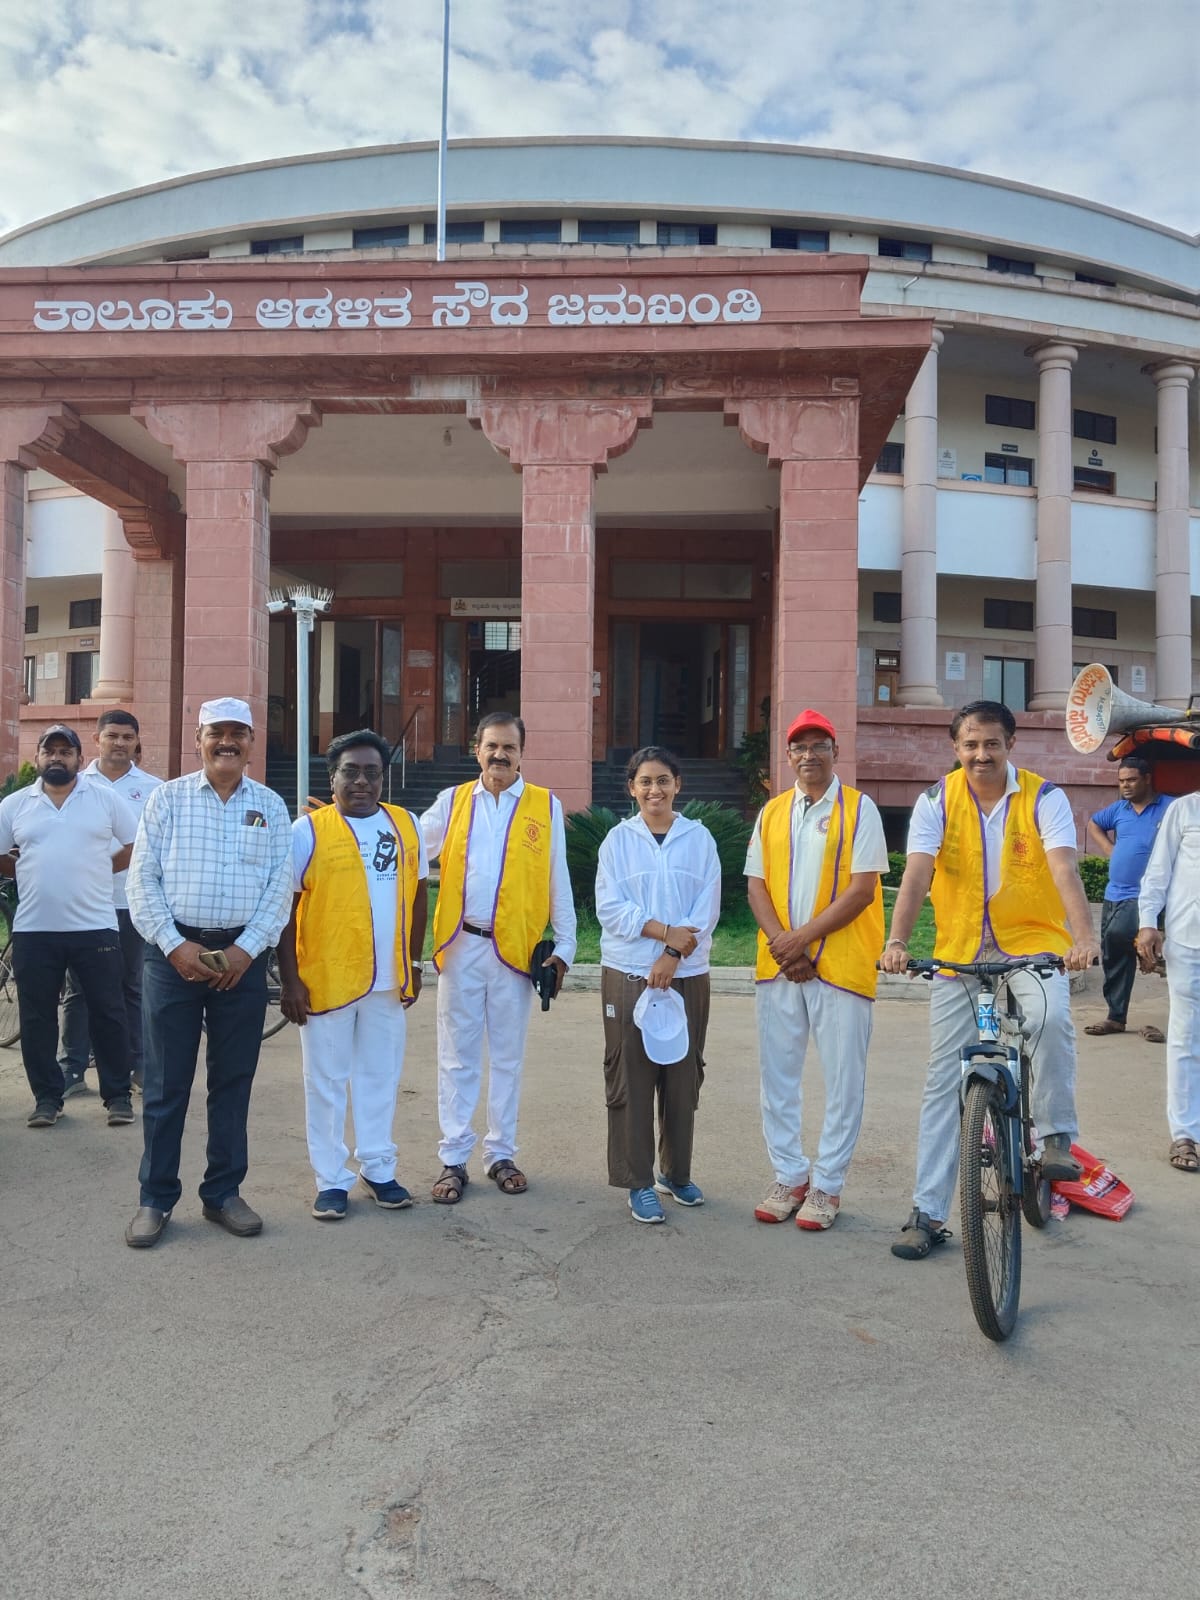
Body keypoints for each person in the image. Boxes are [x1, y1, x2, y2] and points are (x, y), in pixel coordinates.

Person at [882, 700, 1098, 1260]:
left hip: (1031, 946)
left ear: (1010, 745)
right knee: (941, 1080)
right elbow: (915, 876)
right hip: (958, 953)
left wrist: (1084, 938)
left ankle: (1053, 1136)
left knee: (1049, 1021)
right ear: (956, 749)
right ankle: (927, 1213)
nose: (982, 754)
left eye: (992, 744)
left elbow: (1063, 869)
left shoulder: (1044, 797)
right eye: (971, 745)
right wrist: (898, 942)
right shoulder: (936, 800)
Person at [124, 698, 292, 1249]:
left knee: (232, 1081)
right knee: (167, 1084)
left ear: (251, 742)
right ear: (197, 738)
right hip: (173, 954)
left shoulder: (270, 806)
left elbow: (278, 888)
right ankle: (156, 1198)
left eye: (238, 734)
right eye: (217, 733)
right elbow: (141, 882)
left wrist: (246, 951)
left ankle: (223, 1193)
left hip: (241, 960)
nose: (228, 743)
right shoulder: (167, 800)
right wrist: (175, 946)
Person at [421, 712, 576, 1203]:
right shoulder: (452, 802)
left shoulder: (544, 806)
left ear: (521, 752)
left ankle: (501, 1153)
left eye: (508, 748)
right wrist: (349, 824)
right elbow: (409, 846)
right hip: (461, 944)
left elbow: (558, 879)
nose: (499, 755)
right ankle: (453, 1159)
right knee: (456, 1058)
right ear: (477, 749)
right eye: (491, 746)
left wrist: (566, 947)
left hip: (514, 951)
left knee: (507, 1058)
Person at [745, 709, 888, 1231]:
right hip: (780, 968)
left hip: (841, 966)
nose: (808, 755)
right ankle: (789, 1174)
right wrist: (787, 949)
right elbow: (755, 884)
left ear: (835, 751)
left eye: (818, 745)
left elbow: (862, 889)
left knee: (843, 1080)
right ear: (788, 756)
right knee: (777, 1078)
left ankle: (827, 1186)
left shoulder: (860, 809)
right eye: (799, 747)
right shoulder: (772, 813)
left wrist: (801, 941)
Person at [278, 729, 429, 1220]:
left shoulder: (405, 824)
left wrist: (413, 961)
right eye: (351, 771)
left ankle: (378, 1168)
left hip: (387, 982)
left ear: (384, 778)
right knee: (325, 1080)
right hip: (326, 979)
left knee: (380, 1077)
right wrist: (291, 980)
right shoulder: (308, 831)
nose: (361, 781)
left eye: (372, 772)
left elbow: (419, 894)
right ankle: (331, 1179)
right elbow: (283, 908)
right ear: (333, 775)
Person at [595, 746, 721, 1224]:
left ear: (678, 785)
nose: (655, 790)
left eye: (663, 780)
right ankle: (638, 1181)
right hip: (628, 971)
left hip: (687, 973)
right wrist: (662, 934)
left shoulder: (699, 838)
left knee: (683, 1076)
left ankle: (676, 1173)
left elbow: (707, 907)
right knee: (631, 1074)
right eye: (645, 781)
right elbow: (609, 907)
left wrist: (673, 953)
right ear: (632, 789)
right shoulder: (617, 841)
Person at [0, 725, 137, 1128]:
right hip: (33, 929)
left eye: (66, 751)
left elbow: (133, 845)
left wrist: (99, 868)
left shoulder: (105, 799)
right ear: (38, 758)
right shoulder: (14, 805)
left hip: (94, 927)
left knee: (109, 1013)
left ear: (79, 758)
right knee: (38, 1017)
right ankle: (47, 1098)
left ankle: (117, 1097)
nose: (57, 757)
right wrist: (24, 870)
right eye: (49, 751)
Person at [58, 709, 162, 1098]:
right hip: (82, 905)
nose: (119, 743)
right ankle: (72, 1067)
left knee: (132, 985)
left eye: (126, 737)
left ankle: (136, 1063)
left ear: (136, 742)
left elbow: (158, 848)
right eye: (111, 736)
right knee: (79, 988)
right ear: (97, 740)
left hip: (133, 902)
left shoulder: (153, 789)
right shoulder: (74, 784)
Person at [1084, 755, 1172, 1043]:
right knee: (1112, 952)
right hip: (1113, 892)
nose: (1125, 786)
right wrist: (1110, 850)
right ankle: (1116, 1017)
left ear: (1147, 778)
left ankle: (1148, 955)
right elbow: (1093, 824)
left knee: (1121, 933)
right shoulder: (1119, 809)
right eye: (1121, 781)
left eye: (1131, 779)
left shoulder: (1169, 807)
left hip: (1145, 895)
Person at [1136, 790, 1200, 1174]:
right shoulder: (1186, 808)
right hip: (1189, 940)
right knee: (1184, 1035)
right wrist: (1147, 923)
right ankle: (1185, 1133)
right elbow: (1158, 870)